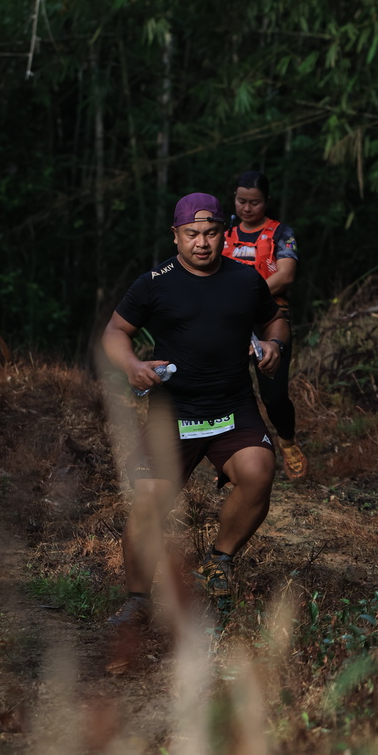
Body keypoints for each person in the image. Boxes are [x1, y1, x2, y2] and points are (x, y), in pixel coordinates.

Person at [102, 192, 290, 629]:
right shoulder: (154, 282)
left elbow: (275, 317)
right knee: (148, 502)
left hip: (232, 406)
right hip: (174, 411)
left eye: (210, 233)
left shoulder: (245, 280)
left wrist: (275, 344)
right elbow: (115, 330)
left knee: (259, 470)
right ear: (176, 235)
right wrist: (131, 365)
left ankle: (217, 561)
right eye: (192, 234)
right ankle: (137, 602)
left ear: (224, 234)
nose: (201, 242)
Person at [222, 170, 308, 480]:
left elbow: (285, 275)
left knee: (273, 395)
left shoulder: (281, 233)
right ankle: (236, 454)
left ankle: (287, 440)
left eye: (254, 202)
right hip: (229, 320)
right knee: (228, 389)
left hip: (271, 318)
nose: (247, 208)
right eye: (241, 201)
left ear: (267, 201)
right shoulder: (224, 234)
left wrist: (248, 296)